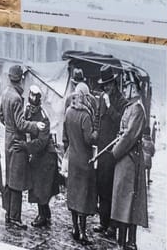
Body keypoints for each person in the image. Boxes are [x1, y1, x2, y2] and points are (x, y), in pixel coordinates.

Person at [0, 64, 44, 230]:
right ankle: (15, 218)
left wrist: (9, 127)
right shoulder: (17, 98)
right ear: (20, 79)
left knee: (10, 179)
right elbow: (20, 124)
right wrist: (34, 126)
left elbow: (2, 116)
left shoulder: (5, 93)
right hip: (17, 143)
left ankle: (8, 214)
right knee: (16, 181)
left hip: (8, 141)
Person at [109, 76, 148, 250]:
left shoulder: (138, 109)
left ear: (134, 89)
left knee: (126, 201)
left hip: (129, 160)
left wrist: (114, 152)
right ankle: (122, 240)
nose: (125, 90)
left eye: (127, 87)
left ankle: (128, 242)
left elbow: (129, 135)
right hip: (123, 159)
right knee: (121, 200)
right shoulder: (130, 107)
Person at [63, 83, 98, 242]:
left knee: (73, 194)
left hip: (73, 159)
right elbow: (88, 139)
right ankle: (83, 233)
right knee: (83, 195)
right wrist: (96, 133)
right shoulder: (85, 115)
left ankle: (74, 228)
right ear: (85, 96)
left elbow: (65, 136)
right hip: (85, 160)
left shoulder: (69, 112)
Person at [23, 85, 59, 228]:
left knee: (42, 187)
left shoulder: (44, 118)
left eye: (35, 98)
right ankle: (45, 212)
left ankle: (42, 216)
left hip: (46, 156)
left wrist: (26, 147)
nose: (32, 101)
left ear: (39, 100)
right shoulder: (28, 111)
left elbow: (42, 142)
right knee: (37, 185)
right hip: (38, 155)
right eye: (31, 96)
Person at [94, 66, 123, 241]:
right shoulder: (100, 98)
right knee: (102, 186)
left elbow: (121, 122)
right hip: (101, 151)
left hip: (114, 151)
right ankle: (103, 222)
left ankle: (113, 226)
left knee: (113, 189)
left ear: (114, 83)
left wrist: (110, 105)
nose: (106, 88)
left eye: (109, 85)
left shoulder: (121, 101)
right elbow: (98, 118)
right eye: (104, 86)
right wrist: (95, 134)